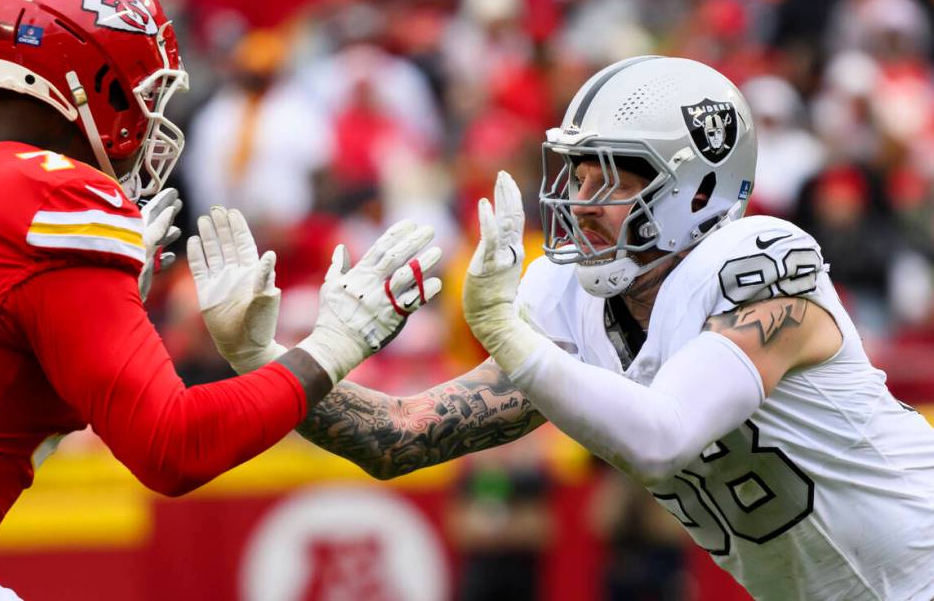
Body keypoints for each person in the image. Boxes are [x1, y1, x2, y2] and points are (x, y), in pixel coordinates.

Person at [199, 56, 934, 600]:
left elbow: (664, 433)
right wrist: (262, 357)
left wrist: (508, 337)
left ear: (699, 188)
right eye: (575, 174)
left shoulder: (762, 269)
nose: (580, 201)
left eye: (610, 176)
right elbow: (402, 434)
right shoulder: (573, 299)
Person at [0, 0, 442, 599]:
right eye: (147, 93)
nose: (152, 117)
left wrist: (107, 303)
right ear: (95, 85)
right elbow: (172, 448)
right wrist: (334, 345)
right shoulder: (57, 205)